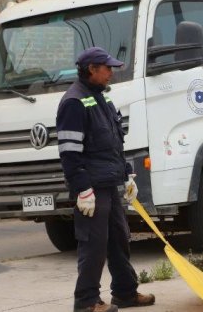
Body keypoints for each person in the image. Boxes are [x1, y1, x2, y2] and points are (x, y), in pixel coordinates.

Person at [56, 47, 155, 312]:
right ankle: (87, 301)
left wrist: (127, 175)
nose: (111, 73)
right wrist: (82, 189)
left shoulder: (101, 98)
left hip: (110, 183)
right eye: (107, 68)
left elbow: (111, 143)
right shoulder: (74, 102)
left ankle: (125, 293)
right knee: (94, 246)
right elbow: (69, 152)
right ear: (92, 69)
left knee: (119, 239)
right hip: (92, 186)